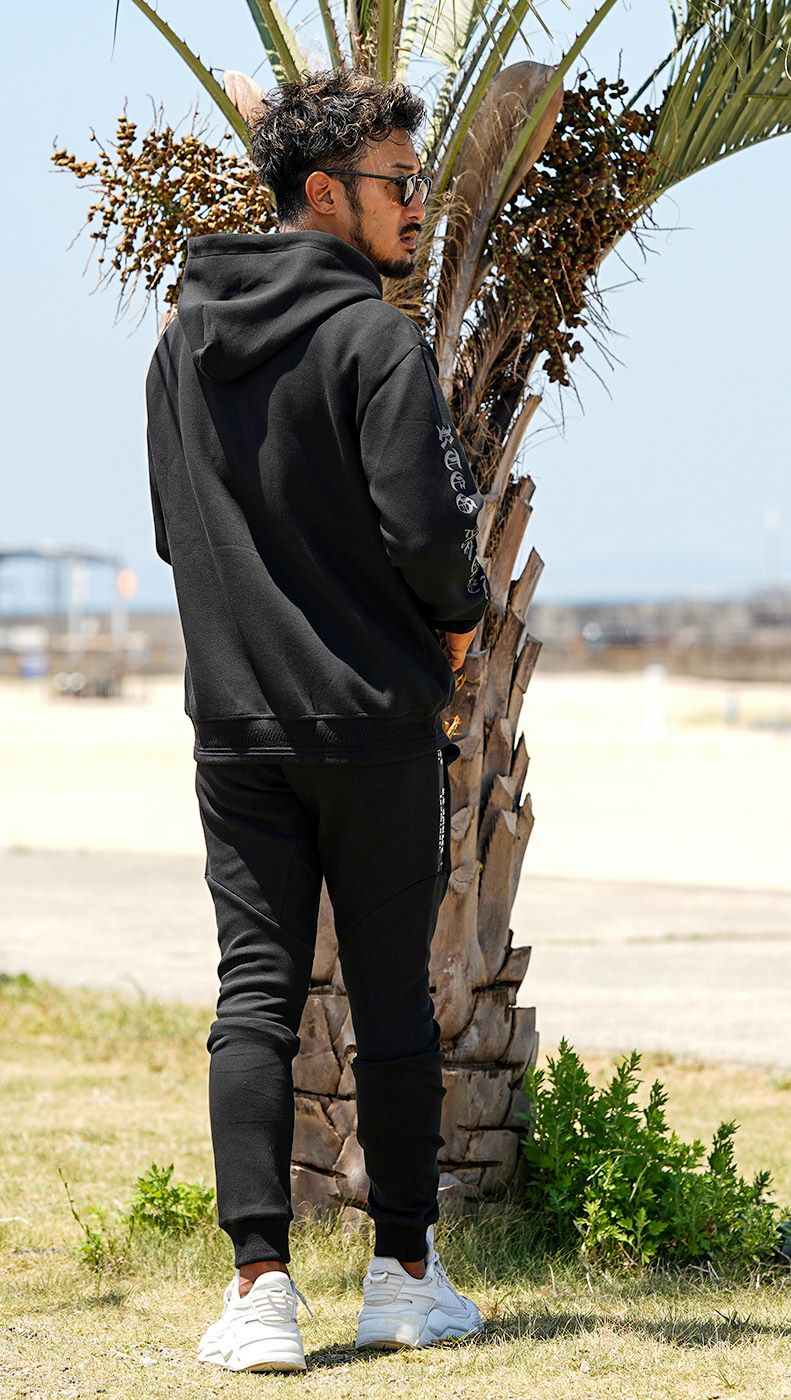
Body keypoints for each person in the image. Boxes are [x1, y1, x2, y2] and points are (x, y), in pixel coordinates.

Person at [144, 67, 492, 1370]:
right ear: (323, 193)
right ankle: (402, 1278)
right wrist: (453, 626)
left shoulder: (180, 345)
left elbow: (175, 531)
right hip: (374, 727)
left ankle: (261, 1295)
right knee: (390, 998)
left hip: (239, 729)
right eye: (400, 183)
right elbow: (429, 535)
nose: (419, 205)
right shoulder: (376, 343)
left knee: (253, 996)